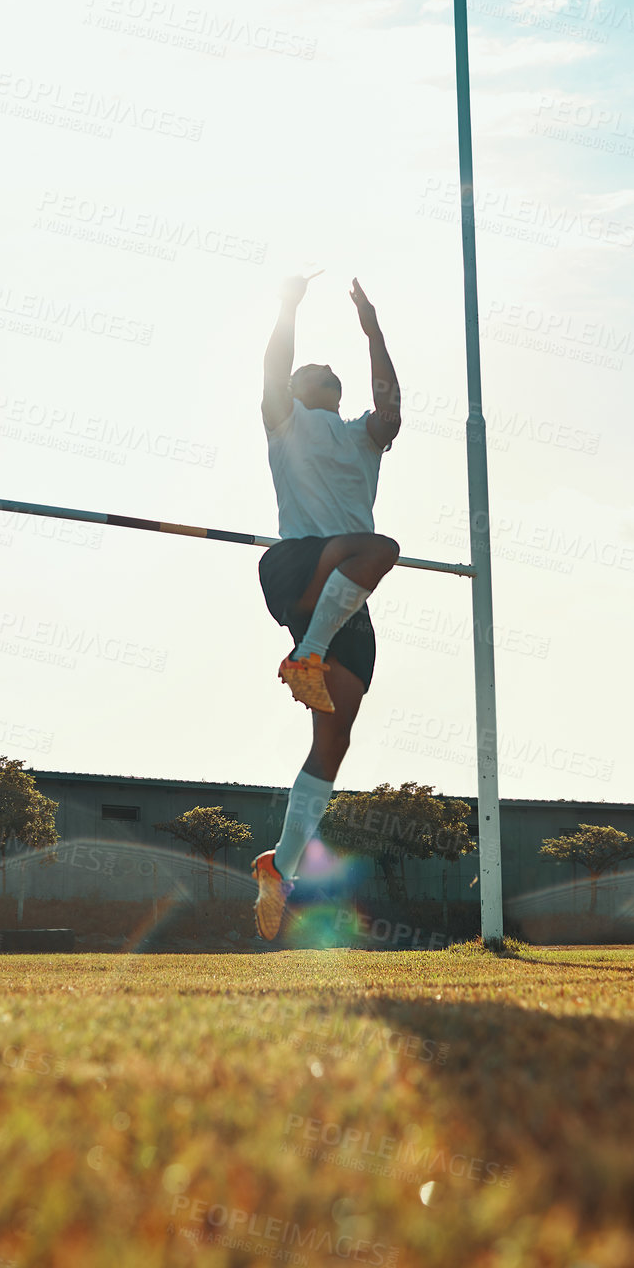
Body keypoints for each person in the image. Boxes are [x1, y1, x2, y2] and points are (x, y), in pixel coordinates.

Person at [250, 272, 402, 939]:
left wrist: (373, 332)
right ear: (292, 391)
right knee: (377, 546)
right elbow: (274, 365)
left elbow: (391, 406)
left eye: (329, 367)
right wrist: (287, 307)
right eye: (311, 367)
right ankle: (305, 649)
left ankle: (278, 866)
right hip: (302, 564)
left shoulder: (361, 437)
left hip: (345, 602)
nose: (322, 368)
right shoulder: (284, 423)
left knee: (333, 742)